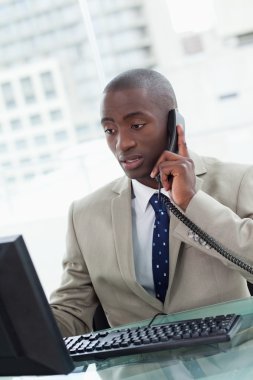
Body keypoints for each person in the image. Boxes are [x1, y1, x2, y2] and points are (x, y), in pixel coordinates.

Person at [50, 68, 253, 337]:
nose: (122, 144)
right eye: (110, 130)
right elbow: (70, 313)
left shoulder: (237, 182)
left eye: (136, 125)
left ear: (174, 126)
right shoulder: (84, 215)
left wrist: (191, 202)